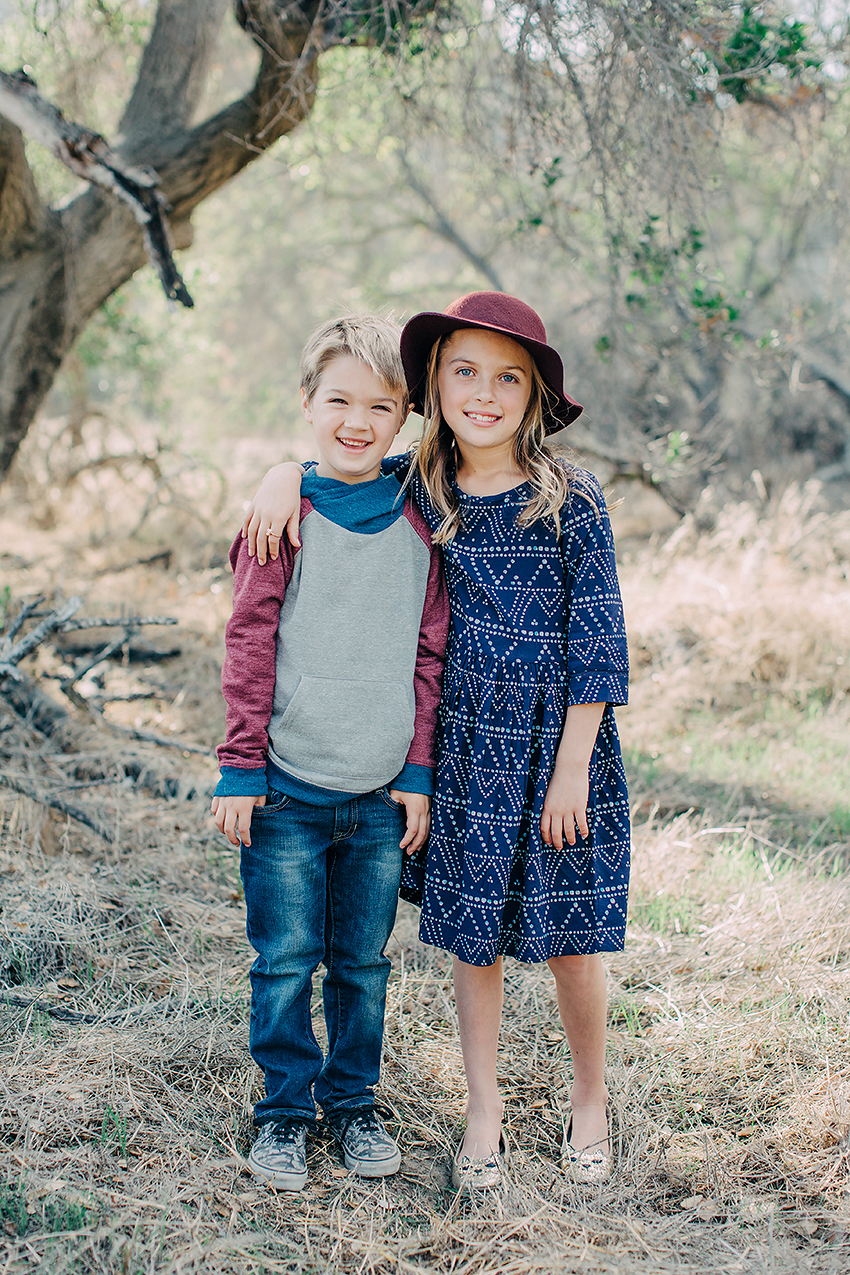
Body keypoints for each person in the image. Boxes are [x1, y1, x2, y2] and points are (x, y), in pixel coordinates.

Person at [242, 293, 630, 1189]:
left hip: (557, 747)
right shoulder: (423, 482)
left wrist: (573, 764)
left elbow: (599, 640)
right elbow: (342, 468)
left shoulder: (569, 496)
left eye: (507, 379)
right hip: (462, 744)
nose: (483, 394)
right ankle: (484, 1109)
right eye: (464, 372)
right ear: (435, 383)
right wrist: (280, 474)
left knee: (573, 931)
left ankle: (589, 1096)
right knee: (473, 934)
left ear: (535, 397)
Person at [212, 315, 449, 1192]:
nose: (357, 419)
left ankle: (352, 1104)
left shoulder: (423, 516)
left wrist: (419, 772)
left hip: (382, 794)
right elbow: (248, 641)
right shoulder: (282, 516)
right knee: (282, 960)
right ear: (306, 403)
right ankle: (282, 1111)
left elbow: (432, 656)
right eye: (338, 399)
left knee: (362, 963)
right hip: (284, 788)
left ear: (406, 418)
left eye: (381, 405)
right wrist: (240, 765)